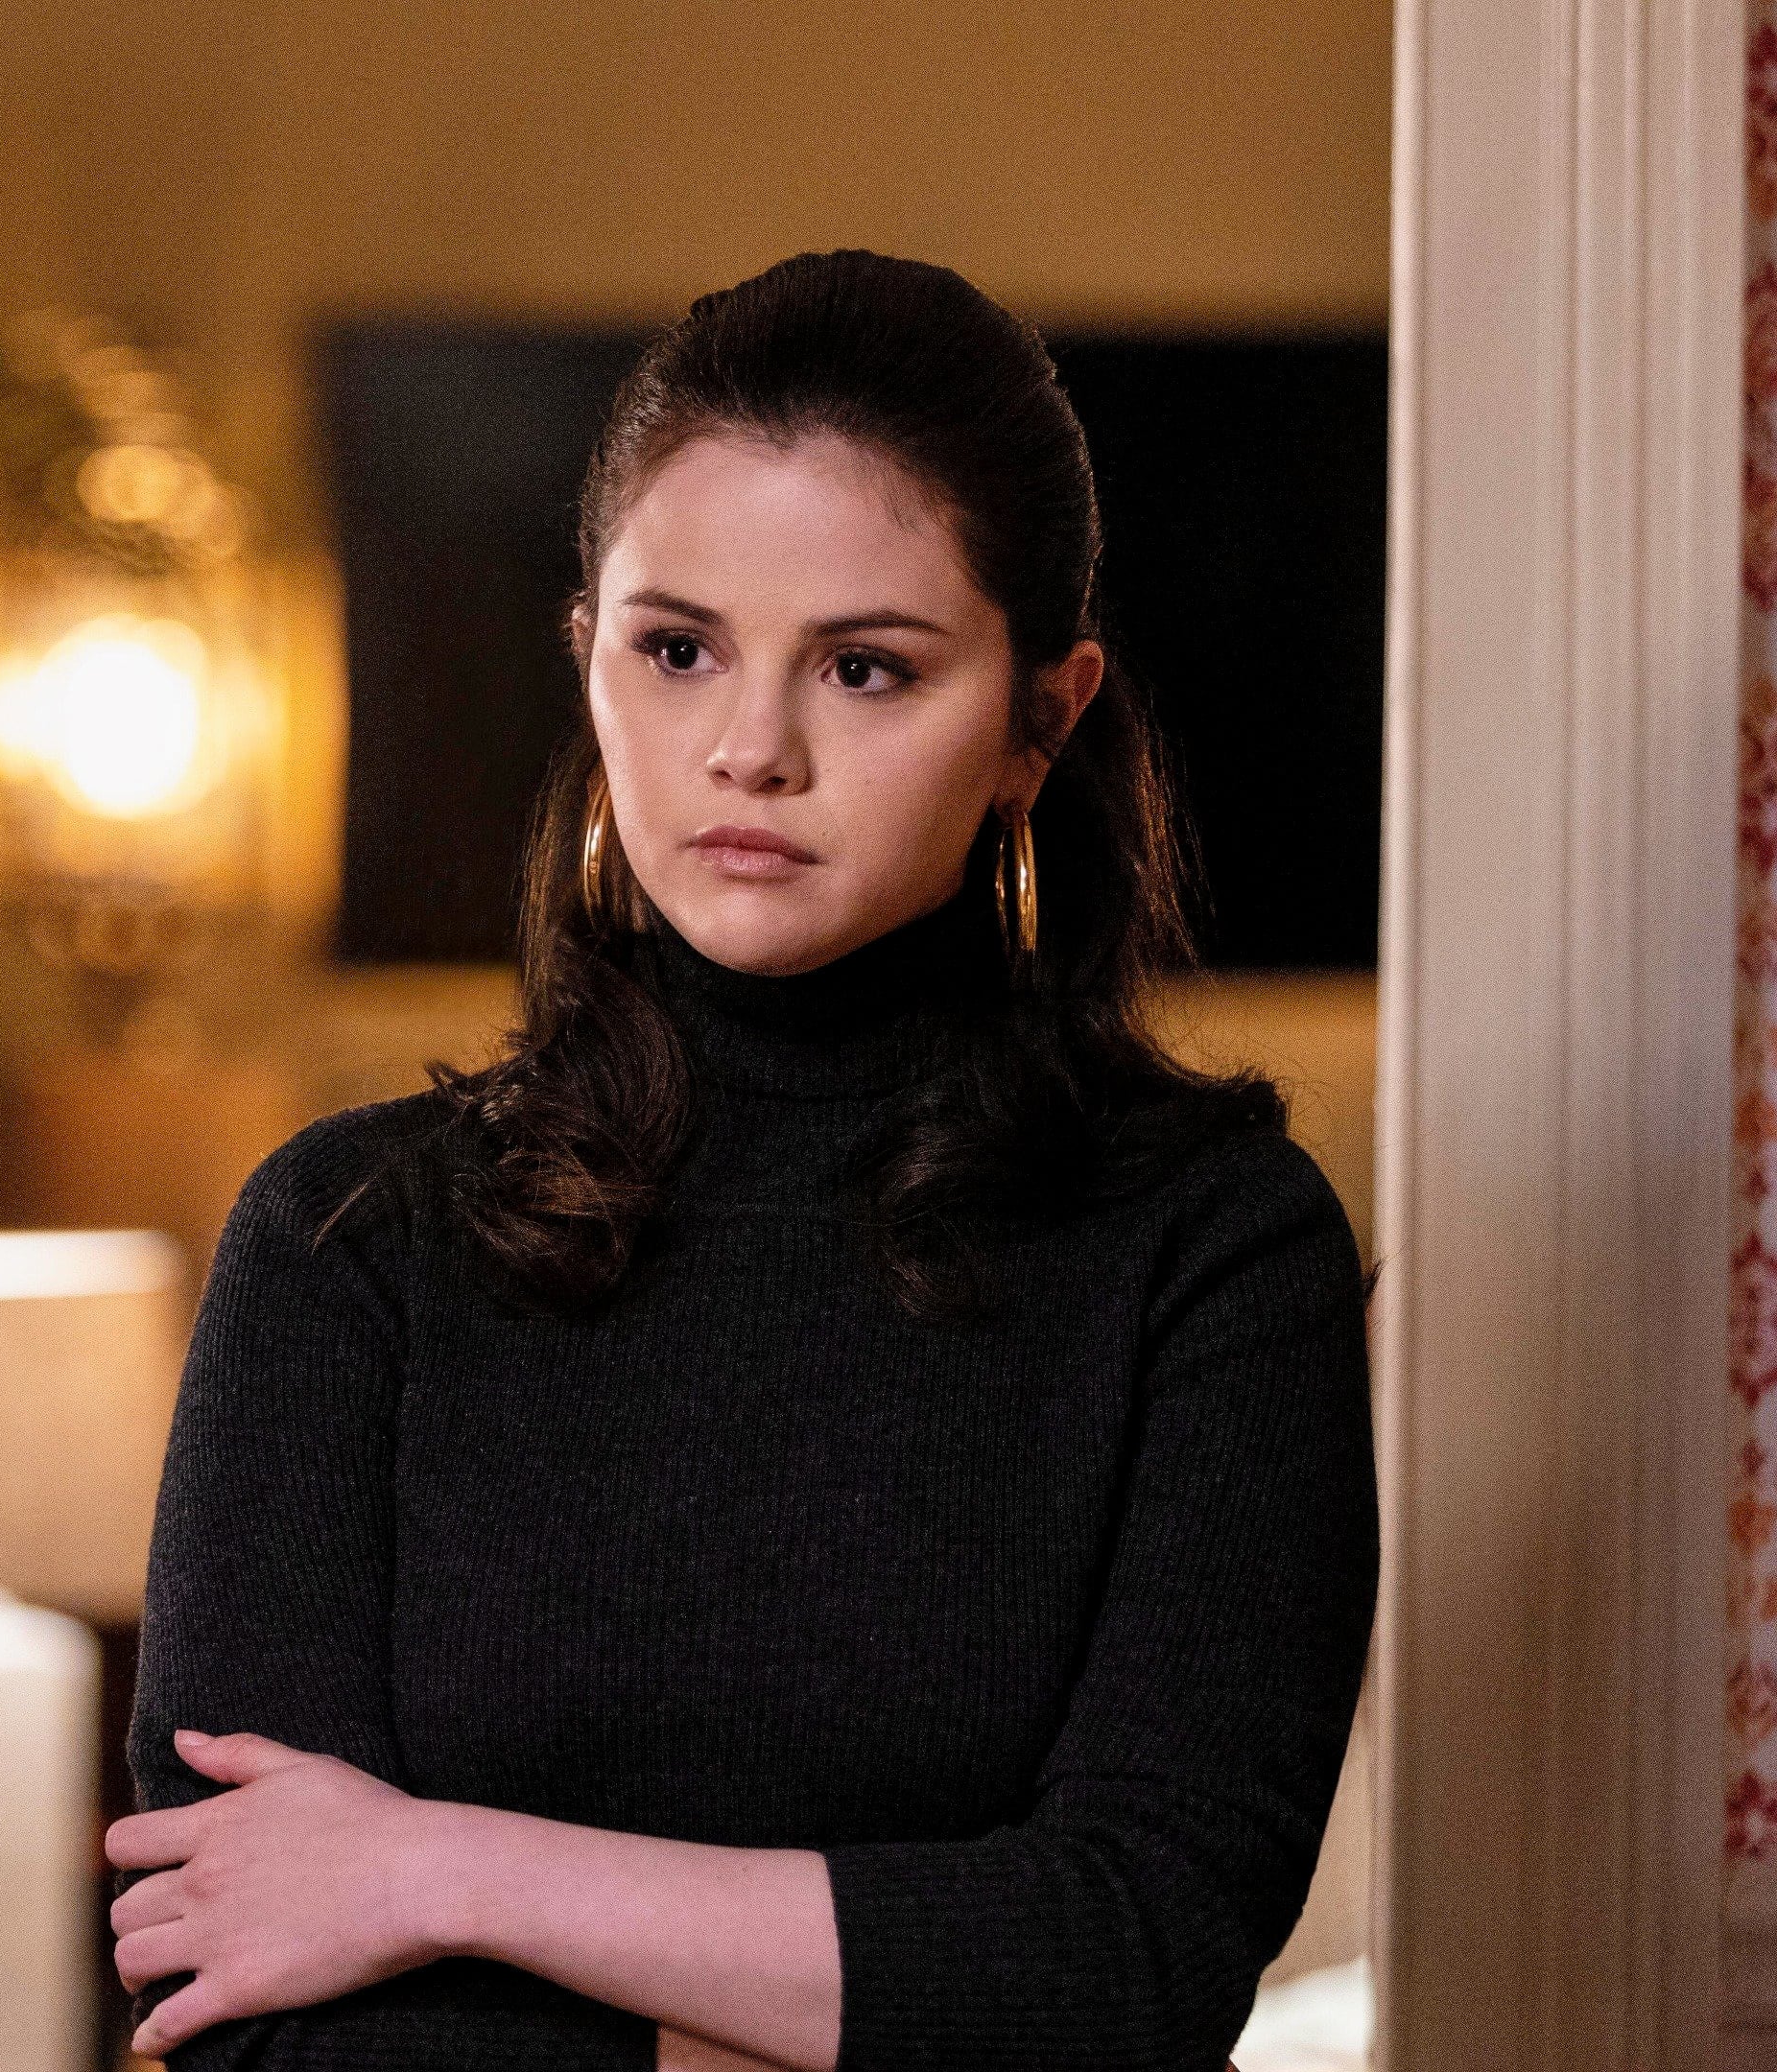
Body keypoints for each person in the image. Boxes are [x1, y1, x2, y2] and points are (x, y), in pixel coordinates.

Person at [99, 249, 1377, 2072]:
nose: (750, 750)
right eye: (678, 649)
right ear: (587, 656)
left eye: (866, 669)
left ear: (1043, 719)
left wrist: (439, 1873)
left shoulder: (1214, 1251)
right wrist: (865, 2010)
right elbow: (239, 2004)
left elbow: (1129, 1970)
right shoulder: (346, 1235)